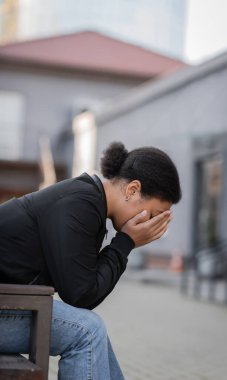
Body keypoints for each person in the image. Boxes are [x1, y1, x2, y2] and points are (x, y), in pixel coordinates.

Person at [0, 141, 182, 380]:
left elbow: (83, 291)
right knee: (87, 330)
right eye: (155, 215)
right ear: (132, 190)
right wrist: (125, 242)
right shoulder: (80, 204)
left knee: (92, 331)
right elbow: (81, 295)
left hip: (11, 301)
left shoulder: (88, 201)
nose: (153, 225)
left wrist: (124, 242)